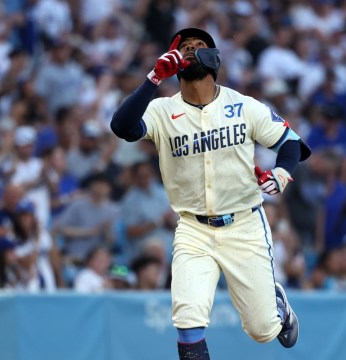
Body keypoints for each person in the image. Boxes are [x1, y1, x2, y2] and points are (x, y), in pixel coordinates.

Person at [111, 28, 310, 358]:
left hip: (244, 225)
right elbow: (122, 127)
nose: (189, 50)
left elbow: (290, 142)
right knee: (187, 318)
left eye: (198, 46)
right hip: (193, 228)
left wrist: (282, 172)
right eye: (184, 47)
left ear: (214, 58)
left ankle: (276, 303)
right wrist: (152, 78)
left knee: (263, 331)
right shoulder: (162, 110)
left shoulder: (244, 106)